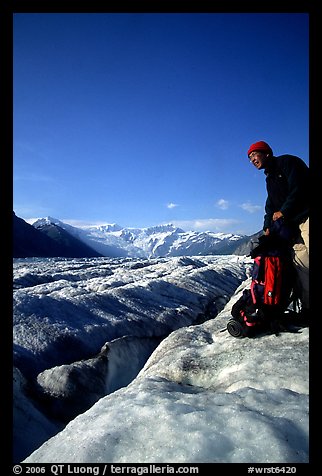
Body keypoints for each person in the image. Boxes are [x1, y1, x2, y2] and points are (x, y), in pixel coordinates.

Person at [247, 140, 309, 314]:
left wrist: (284, 211)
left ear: (267, 153)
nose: (252, 160)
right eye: (249, 158)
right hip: (292, 225)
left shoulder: (287, 163)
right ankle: (308, 307)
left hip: (306, 215)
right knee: (302, 264)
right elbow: (270, 205)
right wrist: (267, 225)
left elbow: (300, 188)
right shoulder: (270, 178)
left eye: (254, 154)